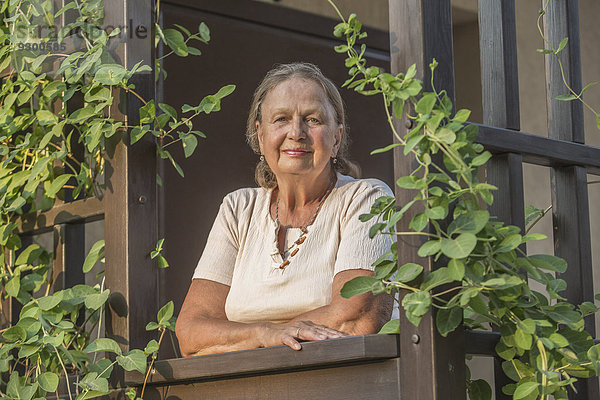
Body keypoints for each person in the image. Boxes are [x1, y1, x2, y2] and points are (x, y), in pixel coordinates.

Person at [175, 62, 394, 357]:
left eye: (313, 120)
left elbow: (357, 315)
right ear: (260, 135)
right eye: (280, 119)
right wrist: (268, 333)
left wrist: (239, 337)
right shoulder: (238, 209)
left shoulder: (365, 198)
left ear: (336, 137)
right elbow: (191, 333)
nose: (296, 132)